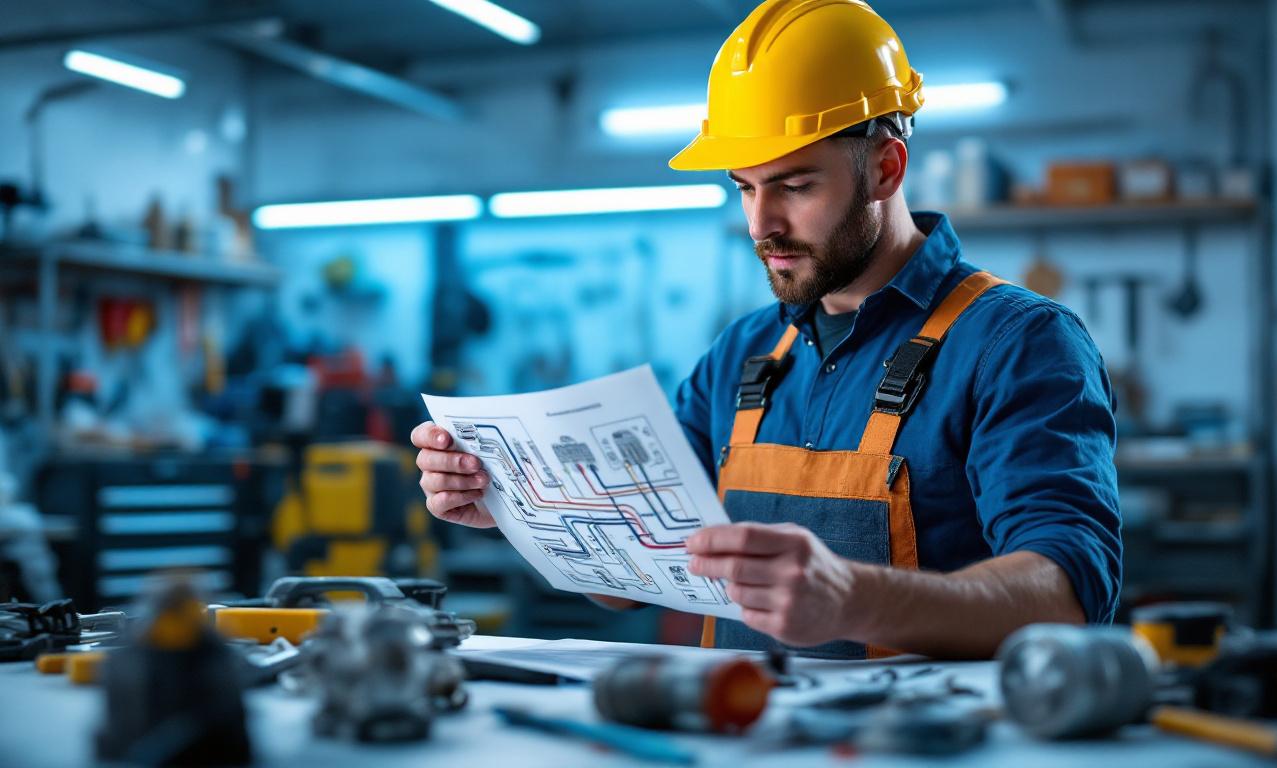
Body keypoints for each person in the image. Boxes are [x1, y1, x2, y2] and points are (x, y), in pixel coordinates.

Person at [411, 0, 1121, 660]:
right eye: (745, 187)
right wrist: (512, 507)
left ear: (885, 168)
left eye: (794, 185)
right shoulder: (744, 355)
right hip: (741, 736)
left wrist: (853, 598)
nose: (760, 226)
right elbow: (633, 577)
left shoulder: (1016, 343)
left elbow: (1065, 596)